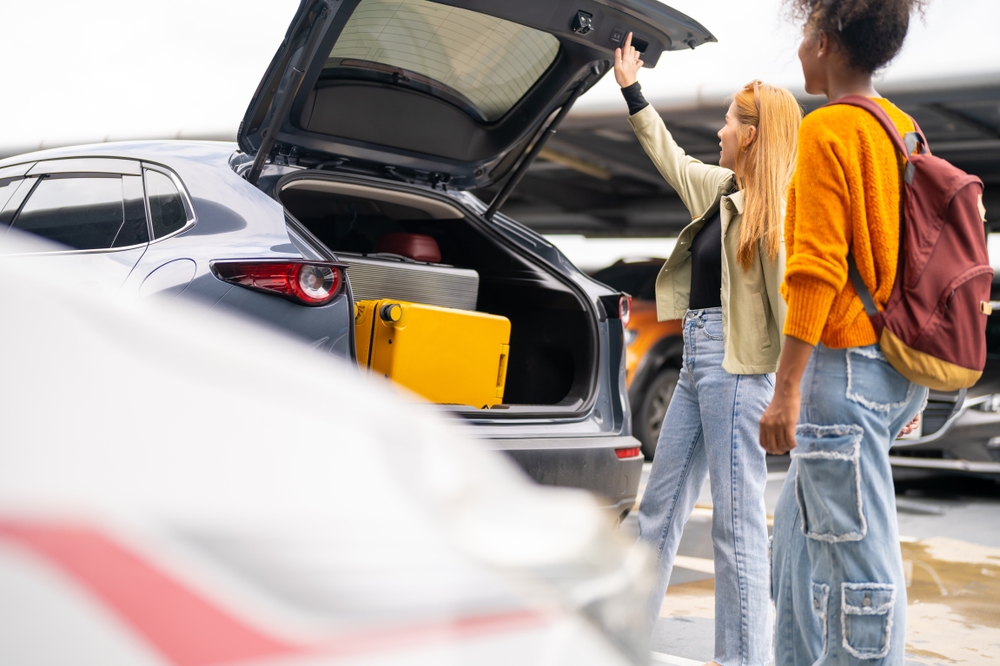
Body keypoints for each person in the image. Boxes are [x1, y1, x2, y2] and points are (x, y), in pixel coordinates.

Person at [614, 33, 802, 666]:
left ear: (751, 134)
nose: (719, 130)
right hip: (696, 362)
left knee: (736, 526)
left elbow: (793, 311)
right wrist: (631, 89)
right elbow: (666, 155)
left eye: (727, 121)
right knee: (658, 512)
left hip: (739, 371)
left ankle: (743, 659)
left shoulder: (775, 213)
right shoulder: (719, 191)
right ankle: (620, 642)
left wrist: (793, 392)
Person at [759, 1, 929, 663]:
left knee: (859, 568)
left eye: (804, 36)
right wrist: (907, 380)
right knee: (798, 557)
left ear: (827, 43)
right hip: (891, 365)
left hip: (842, 373)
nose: (799, 49)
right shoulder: (905, 131)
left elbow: (816, 270)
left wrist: (786, 390)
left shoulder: (829, 130)